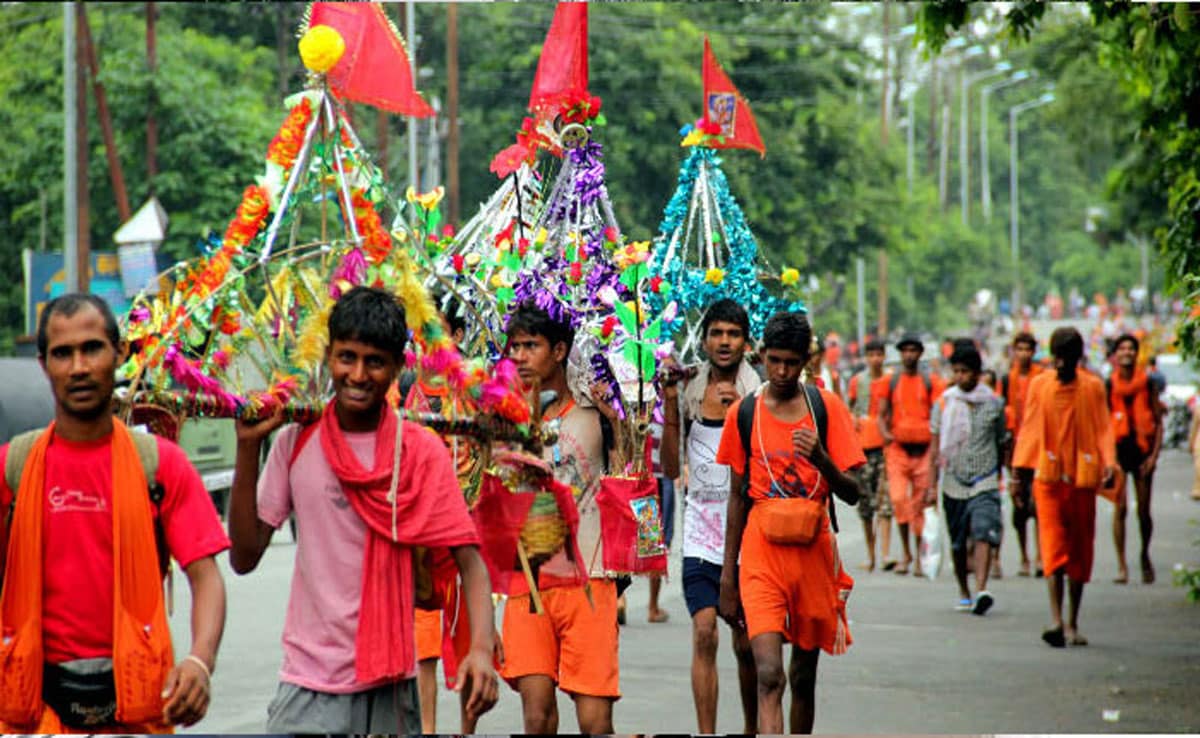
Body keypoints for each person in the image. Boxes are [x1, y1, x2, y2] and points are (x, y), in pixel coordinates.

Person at [227, 286, 498, 734]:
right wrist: (246, 449)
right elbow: (243, 555)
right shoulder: (296, 442)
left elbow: (471, 561)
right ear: (329, 356)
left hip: (389, 688)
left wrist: (482, 652)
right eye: (346, 357)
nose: (357, 374)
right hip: (305, 682)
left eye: (374, 361)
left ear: (396, 367)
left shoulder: (419, 452)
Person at [0, 293, 228, 733]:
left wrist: (200, 660)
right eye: (63, 354)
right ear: (44, 363)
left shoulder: (160, 466)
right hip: (34, 711)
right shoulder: (14, 468)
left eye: (92, 348)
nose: (79, 367)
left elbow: (206, 576)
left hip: (136, 709)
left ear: (119, 353)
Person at [717, 311, 863, 734]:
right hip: (761, 556)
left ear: (806, 361)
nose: (781, 371)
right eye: (774, 360)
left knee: (802, 677)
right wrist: (729, 576)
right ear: (761, 355)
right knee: (769, 676)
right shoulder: (744, 414)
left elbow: (853, 492)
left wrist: (823, 460)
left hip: (814, 554)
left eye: (792, 362)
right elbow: (736, 497)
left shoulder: (825, 408)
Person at [501, 302, 619, 734]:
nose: (520, 356)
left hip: (590, 576)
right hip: (527, 581)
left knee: (595, 721)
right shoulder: (501, 419)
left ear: (559, 351)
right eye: (514, 347)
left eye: (531, 346)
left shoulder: (594, 413)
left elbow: (629, 475)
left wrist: (622, 423)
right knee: (536, 717)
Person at [659, 298, 761, 734]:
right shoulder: (688, 390)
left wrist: (741, 411)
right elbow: (667, 467)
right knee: (704, 633)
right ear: (703, 340)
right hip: (700, 538)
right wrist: (667, 404)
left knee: (745, 645)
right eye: (717, 333)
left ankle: (754, 727)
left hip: (748, 539)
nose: (724, 342)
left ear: (746, 342)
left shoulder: (759, 393)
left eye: (733, 334)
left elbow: (764, 466)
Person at [401, 305, 489, 734]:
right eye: (421, 333)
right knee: (423, 652)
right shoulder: (403, 387)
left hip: (464, 536)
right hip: (419, 539)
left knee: (469, 642)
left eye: (436, 332)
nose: (427, 343)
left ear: (456, 333)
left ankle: (465, 731)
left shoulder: (473, 390)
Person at [1013, 327, 1116, 648]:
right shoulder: (1040, 386)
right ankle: (1057, 619)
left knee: (1080, 550)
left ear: (1077, 359)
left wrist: (1109, 463)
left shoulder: (1093, 387)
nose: (1060, 366)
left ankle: (1073, 621)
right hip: (1048, 478)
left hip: (1083, 480)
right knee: (1053, 547)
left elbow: (1103, 428)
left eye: (1066, 360)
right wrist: (1019, 474)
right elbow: (1029, 428)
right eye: (1056, 359)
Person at [929, 345, 1007, 614]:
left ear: (978, 373)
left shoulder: (994, 404)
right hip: (953, 481)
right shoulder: (943, 403)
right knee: (958, 542)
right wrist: (931, 486)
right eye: (957, 371)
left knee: (982, 529)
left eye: (966, 372)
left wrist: (1007, 474)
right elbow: (935, 445)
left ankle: (982, 589)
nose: (961, 377)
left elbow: (1002, 440)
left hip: (984, 479)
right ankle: (964, 590)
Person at [878, 334, 945, 576]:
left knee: (919, 504)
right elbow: (881, 414)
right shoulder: (891, 381)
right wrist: (885, 433)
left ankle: (918, 558)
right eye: (905, 350)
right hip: (898, 449)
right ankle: (905, 552)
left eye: (913, 350)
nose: (909, 354)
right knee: (898, 500)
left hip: (924, 450)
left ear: (920, 353)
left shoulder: (931, 381)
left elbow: (939, 413)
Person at [1106, 333, 1163, 584]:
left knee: (1143, 511)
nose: (1126, 352)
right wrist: (1109, 460)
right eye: (1122, 349)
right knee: (1119, 510)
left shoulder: (1147, 383)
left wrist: (1153, 456)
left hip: (1142, 452)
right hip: (1118, 453)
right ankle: (1121, 566)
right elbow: (1103, 426)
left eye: (1131, 349)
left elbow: (1159, 422)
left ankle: (1144, 554)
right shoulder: (1108, 385)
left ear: (1136, 353)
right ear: (1115, 355)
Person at [846, 339, 894, 572]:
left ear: (884, 356)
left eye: (879, 354)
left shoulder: (891, 379)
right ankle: (871, 554)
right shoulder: (858, 381)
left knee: (885, 503)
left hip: (884, 446)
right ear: (866, 357)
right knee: (865, 505)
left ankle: (885, 554)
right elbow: (851, 407)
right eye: (871, 354)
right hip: (862, 446)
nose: (875, 359)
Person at [1002, 333, 1044, 578]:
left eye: (1028, 349)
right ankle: (1024, 557)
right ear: (1014, 351)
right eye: (1020, 349)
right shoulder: (1008, 379)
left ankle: (1040, 556)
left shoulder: (1042, 377)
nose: (1024, 354)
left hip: (1038, 447)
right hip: (1017, 449)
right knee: (1019, 504)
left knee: (1037, 503)